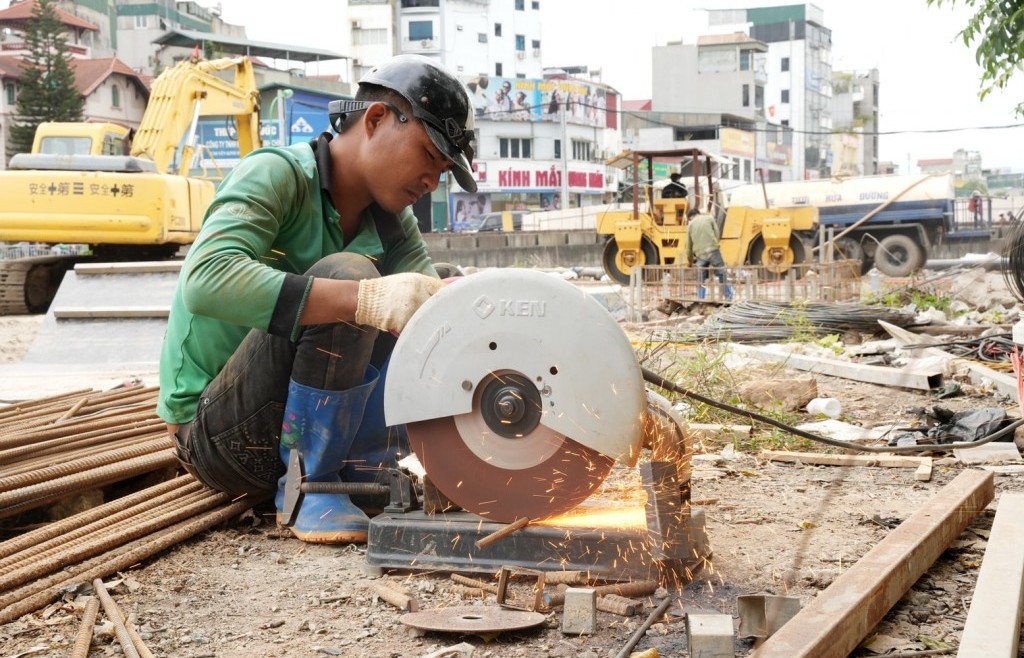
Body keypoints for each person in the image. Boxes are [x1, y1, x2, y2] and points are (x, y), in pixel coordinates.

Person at [156, 54, 477, 545]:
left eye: (445, 169)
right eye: (430, 157)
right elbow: (205, 278)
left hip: (315, 432)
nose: (434, 180)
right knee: (352, 279)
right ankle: (309, 488)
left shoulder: (392, 222)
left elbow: (433, 319)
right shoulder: (276, 174)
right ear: (375, 119)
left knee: (439, 290)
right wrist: (362, 299)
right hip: (225, 439)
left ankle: (358, 470)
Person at [686, 207, 732, 300]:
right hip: (713, 250)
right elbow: (717, 233)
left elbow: (688, 246)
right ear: (698, 213)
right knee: (721, 273)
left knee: (701, 277)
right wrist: (715, 243)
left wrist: (690, 261)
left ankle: (701, 299)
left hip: (700, 254)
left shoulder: (690, 225)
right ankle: (728, 297)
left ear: (690, 217)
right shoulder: (709, 218)